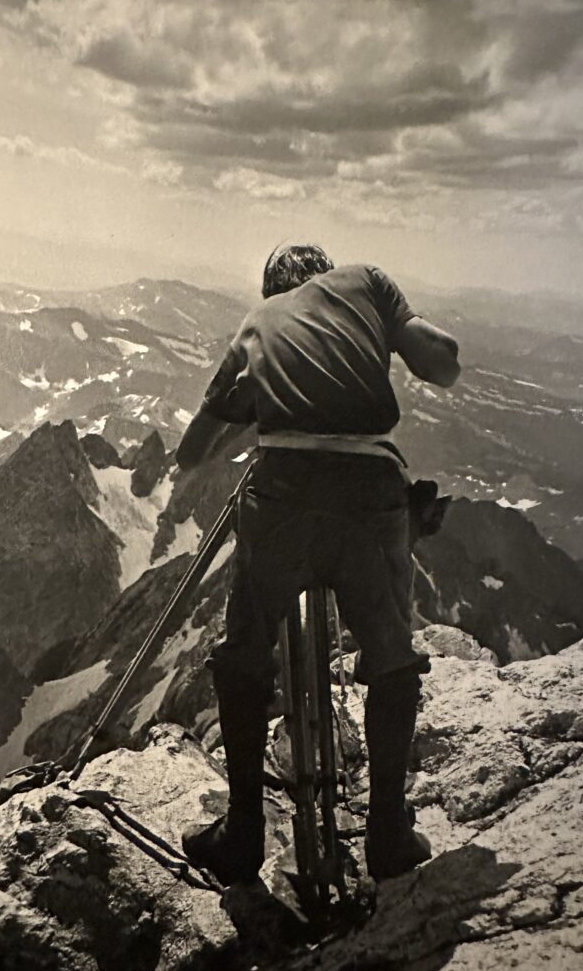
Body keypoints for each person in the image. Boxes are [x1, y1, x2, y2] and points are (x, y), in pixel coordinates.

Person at [177, 243, 460, 884]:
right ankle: (388, 833)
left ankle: (244, 833)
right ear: (326, 274)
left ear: (272, 288)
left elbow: (192, 452)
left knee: (244, 651)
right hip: (372, 495)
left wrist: (254, 413)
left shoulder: (257, 324)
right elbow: (440, 362)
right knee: (391, 653)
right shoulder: (369, 284)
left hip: (283, 500)